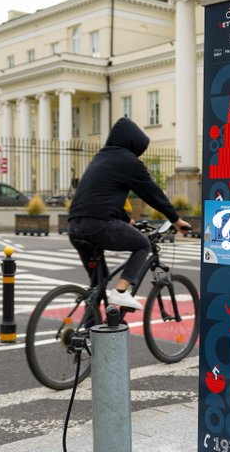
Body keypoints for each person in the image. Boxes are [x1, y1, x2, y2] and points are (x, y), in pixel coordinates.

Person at [67, 117, 191, 310]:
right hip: (97, 225)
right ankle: (121, 292)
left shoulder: (101, 157)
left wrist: (126, 219)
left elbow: (102, 196)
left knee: (97, 285)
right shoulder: (128, 161)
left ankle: (87, 332)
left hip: (75, 227)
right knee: (142, 244)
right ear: (134, 143)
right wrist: (175, 219)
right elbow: (152, 193)